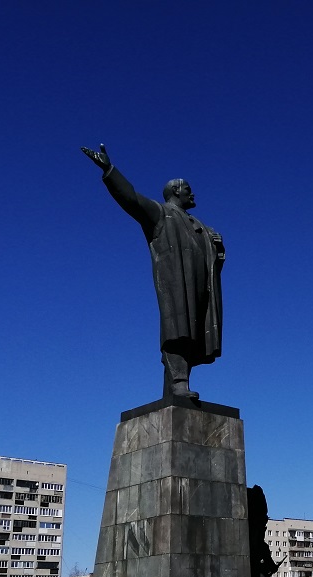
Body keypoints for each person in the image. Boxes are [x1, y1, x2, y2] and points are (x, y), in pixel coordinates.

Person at [82, 144, 225, 400]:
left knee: (194, 333)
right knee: (178, 329)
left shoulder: (201, 226)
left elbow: (213, 260)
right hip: (175, 282)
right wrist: (109, 170)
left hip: (200, 286)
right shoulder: (161, 214)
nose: (193, 194)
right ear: (175, 191)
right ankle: (178, 381)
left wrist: (217, 247)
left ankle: (179, 384)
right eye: (188, 190)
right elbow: (131, 199)